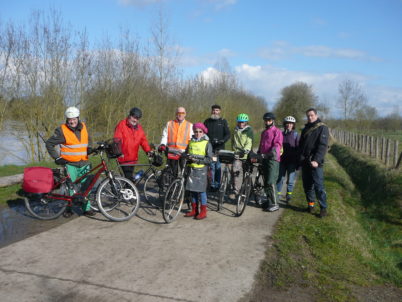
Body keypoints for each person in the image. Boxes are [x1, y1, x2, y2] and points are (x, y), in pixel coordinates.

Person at [46, 106, 95, 217]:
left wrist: (90, 147)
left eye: (74, 119)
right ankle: (69, 208)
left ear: (78, 118)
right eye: (69, 119)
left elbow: (89, 138)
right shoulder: (61, 130)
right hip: (70, 164)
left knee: (86, 187)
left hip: (84, 162)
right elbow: (49, 144)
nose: (72, 121)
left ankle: (86, 208)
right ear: (67, 119)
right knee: (70, 189)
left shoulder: (84, 127)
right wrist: (57, 157)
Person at [299, 108, 329, 218]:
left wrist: (316, 160)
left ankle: (323, 208)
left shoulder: (322, 128)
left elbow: (322, 146)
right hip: (305, 162)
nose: (310, 117)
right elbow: (301, 146)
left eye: (311, 115)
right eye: (308, 116)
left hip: (316, 163)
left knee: (319, 186)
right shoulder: (305, 128)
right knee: (307, 186)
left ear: (316, 115)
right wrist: (300, 159)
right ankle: (311, 205)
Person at [184, 123, 213, 220]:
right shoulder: (191, 142)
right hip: (191, 169)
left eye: (200, 131)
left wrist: (198, 160)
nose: (197, 133)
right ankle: (194, 210)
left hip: (202, 170)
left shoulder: (207, 143)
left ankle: (203, 211)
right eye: (196, 131)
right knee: (192, 190)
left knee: (201, 191)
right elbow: (186, 153)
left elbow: (209, 159)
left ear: (203, 132)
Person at [114, 107, 152, 179]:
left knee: (129, 180)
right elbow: (117, 140)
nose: (135, 120)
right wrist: (118, 152)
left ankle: (127, 188)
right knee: (129, 180)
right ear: (129, 115)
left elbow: (143, 140)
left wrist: (148, 150)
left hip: (133, 159)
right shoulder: (122, 125)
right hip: (124, 158)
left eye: (137, 118)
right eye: (134, 117)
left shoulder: (139, 128)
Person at [257, 112, 283, 212]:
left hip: (273, 159)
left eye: (269, 120)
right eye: (266, 120)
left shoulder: (277, 131)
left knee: (271, 181)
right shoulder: (263, 132)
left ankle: (275, 203)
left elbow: (277, 145)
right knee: (266, 181)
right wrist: (258, 154)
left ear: (273, 121)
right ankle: (269, 201)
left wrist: (270, 154)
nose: (267, 122)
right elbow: (261, 145)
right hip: (264, 159)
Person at [159, 107, 193, 175]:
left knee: (185, 173)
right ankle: (172, 185)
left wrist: (190, 151)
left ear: (185, 114)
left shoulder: (190, 125)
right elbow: (165, 135)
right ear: (176, 114)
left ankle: (182, 185)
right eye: (178, 113)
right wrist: (162, 144)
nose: (180, 115)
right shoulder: (169, 123)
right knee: (172, 172)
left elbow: (191, 140)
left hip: (183, 152)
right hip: (172, 151)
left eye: (182, 113)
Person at [204, 104, 230, 191]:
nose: (215, 112)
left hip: (219, 148)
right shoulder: (207, 121)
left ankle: (217, 184)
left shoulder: (223, 121)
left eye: (217, 110)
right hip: (210, 148)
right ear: (211, 111)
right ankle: (211, 184)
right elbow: (203, 132)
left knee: (217, 166)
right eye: (214, 110)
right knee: (211, 166)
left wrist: (222, 140)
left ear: (220, 111)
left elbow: (228, 134)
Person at [276, 116, 300, 203]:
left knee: (290, 180)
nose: (289, 125)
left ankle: (289, 194)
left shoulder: (296, 135)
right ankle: (278, 194)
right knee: (280, 178)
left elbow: (298, 148)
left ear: (293, 125)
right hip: (282, 161)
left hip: (292, 161)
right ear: (285, 124)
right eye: (287, 123)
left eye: (291, 124)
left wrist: (298, 161)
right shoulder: (281, 134)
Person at [230, 113, 253, 199]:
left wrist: (246, 149)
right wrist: (233, 151)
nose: (241, 124)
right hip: (237, 155)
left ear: (246, 122)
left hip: (245, 154)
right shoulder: (235, 130)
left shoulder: (249, 131)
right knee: (235, 171)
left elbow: (249, 141)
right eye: (239, 122)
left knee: (247, 174)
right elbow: (233, 141)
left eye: (243, 122)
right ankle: (236, 191)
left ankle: (247, 189)